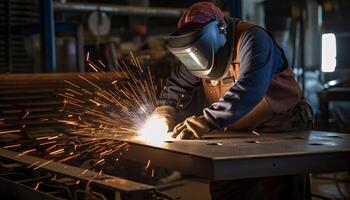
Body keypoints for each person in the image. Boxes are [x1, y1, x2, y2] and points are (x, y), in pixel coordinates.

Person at [153, 2, 313, 200]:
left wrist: (206, 120)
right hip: (237, 132)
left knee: (281, 192)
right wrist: (164, 109)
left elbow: (250, 88)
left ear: (220, 28)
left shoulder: (253, 39)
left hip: (281, 127)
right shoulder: (197, 51)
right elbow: (177, 83)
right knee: (226, 189)